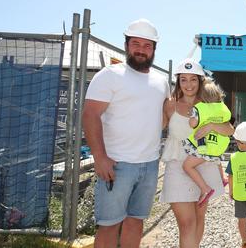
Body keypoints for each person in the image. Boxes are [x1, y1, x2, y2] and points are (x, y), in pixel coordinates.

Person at [83, 18, 170, 248]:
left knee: (136, 222)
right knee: (109, 225)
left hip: (150, 164)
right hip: (117, 164)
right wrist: (100, 157)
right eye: (136, 43)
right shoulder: (109, 76)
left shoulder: (162, 82)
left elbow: (162, 118)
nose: (141, 49)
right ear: (126, 45)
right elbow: (90, 115)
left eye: (147, 45)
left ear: (154, 49)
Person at [160, 58, 234, 248]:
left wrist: (211, 125)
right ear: (178, 81)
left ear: (201, 81)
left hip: (204, 165)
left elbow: (229, 130)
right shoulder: (170, 105)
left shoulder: (210, 103)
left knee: (199, 219)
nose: (188, 85)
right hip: (177, 165)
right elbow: (155, 128)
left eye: (193, 79)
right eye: (183, 79)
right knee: (187, 223)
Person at [182, 78, 231, 206]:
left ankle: (205, 189)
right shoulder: (223, 108)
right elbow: (228, 125)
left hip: (204, 147)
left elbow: (193, 124)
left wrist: (191, 118)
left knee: (187, 166)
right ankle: (222, 178)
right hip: (217, 146)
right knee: (216, 158)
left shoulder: (200, 108)